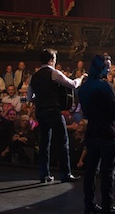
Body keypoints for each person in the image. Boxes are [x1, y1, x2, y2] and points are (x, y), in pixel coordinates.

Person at [78, 55, 115, 214]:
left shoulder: (84, 87)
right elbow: (114, 110)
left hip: (92, 131)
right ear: (101, 67)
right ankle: (107, 206)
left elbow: (85, 110)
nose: (109, 69)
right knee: (107, 172)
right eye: (107, 66)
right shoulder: (105, 86)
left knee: (90, 171)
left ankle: (89, 204)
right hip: (107, 131)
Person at [27, 48, 83, 183]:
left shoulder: (34, 76)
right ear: (51, 60)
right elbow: (72, 84)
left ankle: (44, 174)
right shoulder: (54, 73)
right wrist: (81, 78)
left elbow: (29, 97)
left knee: (44, 143)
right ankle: (65, 174)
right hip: (53, 111)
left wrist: (41, 98)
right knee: (63, 141)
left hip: (40, 111)